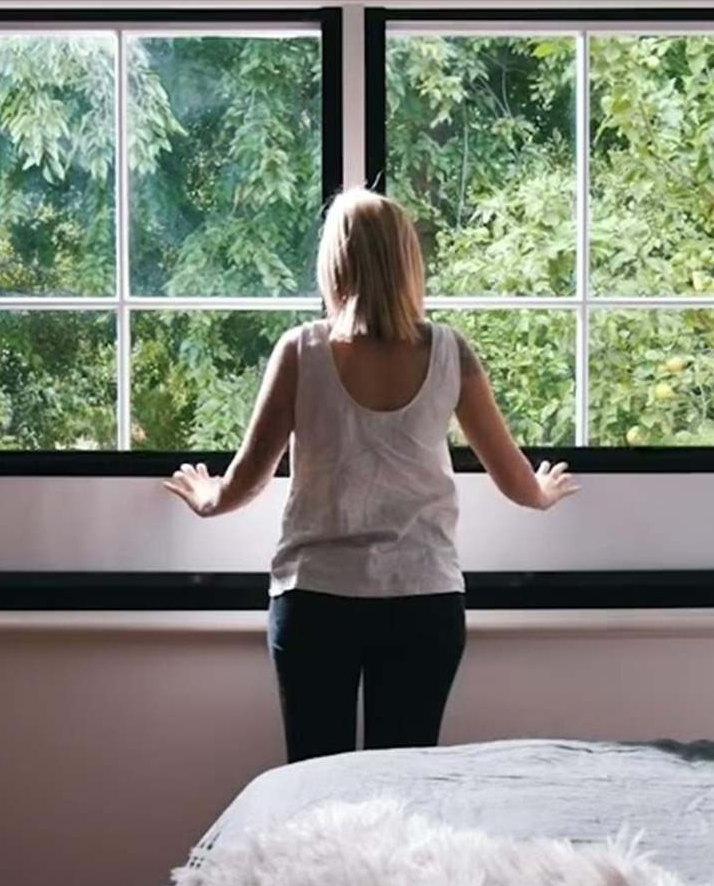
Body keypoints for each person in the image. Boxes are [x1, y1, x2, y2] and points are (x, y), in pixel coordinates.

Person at [163, 188, 579, 763]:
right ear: (409, 262)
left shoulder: (301, 351)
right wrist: (543, 492)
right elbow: (514, 481)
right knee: (402, 787)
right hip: (423, 600)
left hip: (316, 600)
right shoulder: (450, 352)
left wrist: (207, 497)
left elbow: (246, 480)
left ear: (334, 265)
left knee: (314, 780)